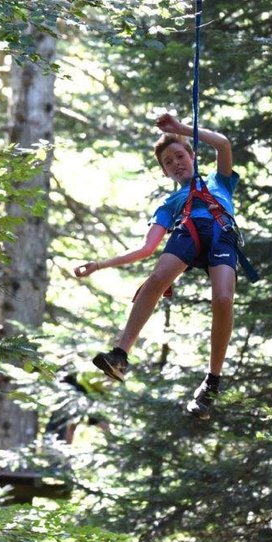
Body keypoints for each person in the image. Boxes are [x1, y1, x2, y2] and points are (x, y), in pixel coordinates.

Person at [74, 113, 245, 420]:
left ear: (192, 156)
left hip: (222, 235)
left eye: (180, 155)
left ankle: (211, 383)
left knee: (223, 300)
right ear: (165, 172)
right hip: (188, 231)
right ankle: (120, 354)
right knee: (156, 278)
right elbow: (146, 248)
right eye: (168, 162)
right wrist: (99, 265)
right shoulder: (169, 203)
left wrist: (181, 130)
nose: (176, 163)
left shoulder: (219, 181)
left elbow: (222, 145)